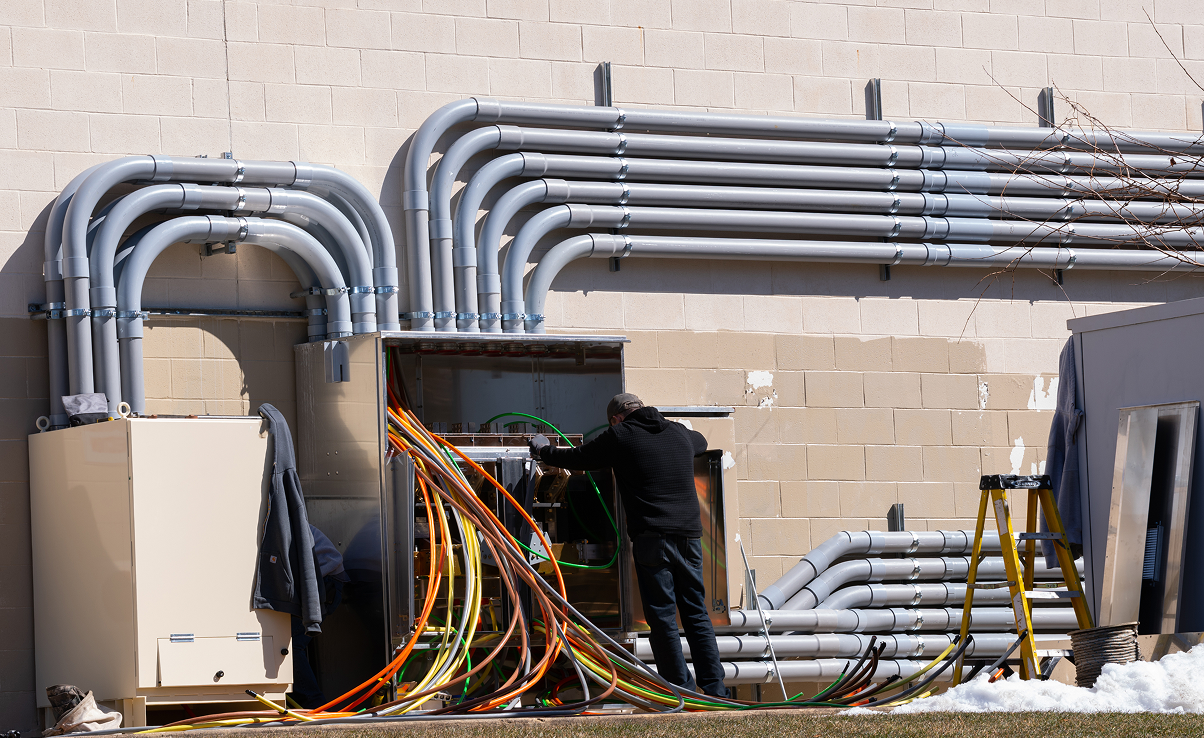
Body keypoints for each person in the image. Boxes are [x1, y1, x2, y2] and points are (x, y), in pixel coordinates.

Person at [527, 393, 729, 698]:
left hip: (653, 538)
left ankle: (682, 692)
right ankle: (716, 691)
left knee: (662, 617)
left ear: (616, 418)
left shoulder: (620, 435)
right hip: (689, 537)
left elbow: (578, 457)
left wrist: (544, 450)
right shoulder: (677, 432)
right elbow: (700, 441)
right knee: (696, 614)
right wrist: (680, 433)